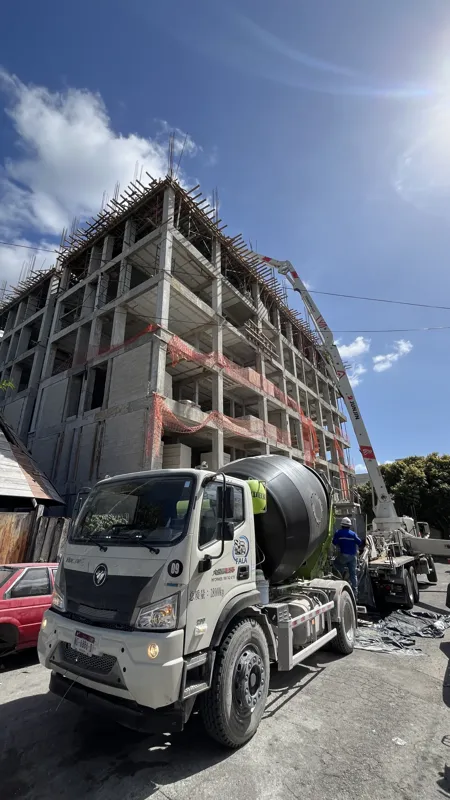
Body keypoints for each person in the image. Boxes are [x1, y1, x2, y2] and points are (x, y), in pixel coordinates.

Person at [332, 517, 362, 596]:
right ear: (349, 526)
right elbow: (359, 542)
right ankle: (355, 592)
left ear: (342, 525)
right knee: (353, 574)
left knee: (336, 567)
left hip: (343, 556)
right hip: (353, 557)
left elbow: (334, 543)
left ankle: (339, 586)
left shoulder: (338, 533)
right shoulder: (353, 534)